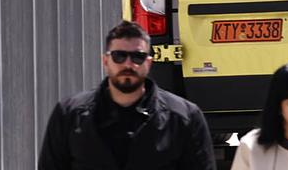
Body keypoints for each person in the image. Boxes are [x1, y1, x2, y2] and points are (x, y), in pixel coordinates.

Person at [37, 20, 215, 170]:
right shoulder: (69, 115)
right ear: (105, 61)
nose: (128, 64)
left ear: (148, 62)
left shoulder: (184, 118)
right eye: (119, 56)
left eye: (137, 57)